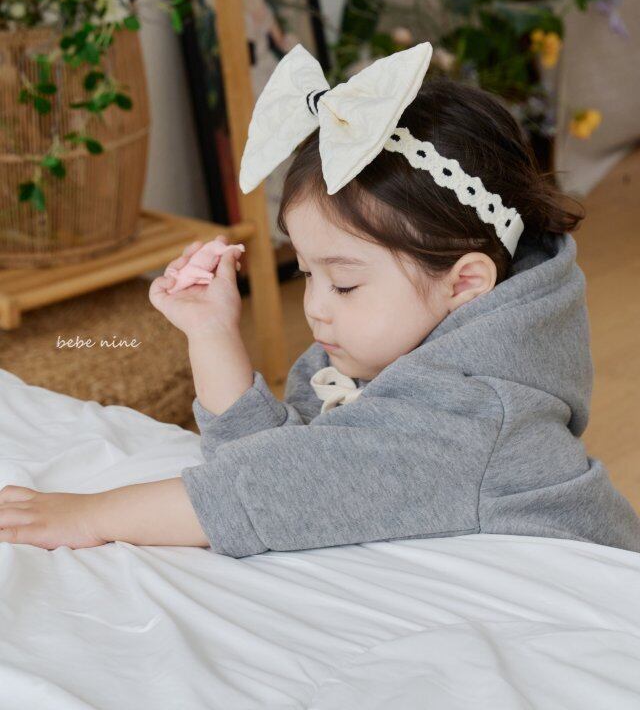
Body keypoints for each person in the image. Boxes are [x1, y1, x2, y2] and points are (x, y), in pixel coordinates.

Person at [1, 42, 639, 555]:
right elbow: (276, 457)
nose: (315, 306)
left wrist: (90, 516)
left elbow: (267, 489)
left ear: (465, 283)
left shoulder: (473, 417)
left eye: (345, 282)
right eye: (306, 273)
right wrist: (211, 333)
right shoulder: (377, 350)